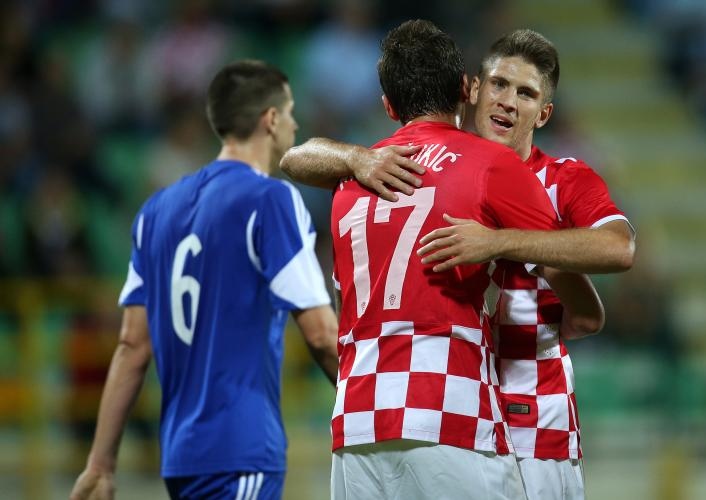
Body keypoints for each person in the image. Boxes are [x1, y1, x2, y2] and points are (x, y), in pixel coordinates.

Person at [280, 29, 635, 500]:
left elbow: (618, 250)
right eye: (499, 85)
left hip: (533, 423)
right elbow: (296, 158)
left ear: (543, 114)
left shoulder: (565, 178)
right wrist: (355, 156)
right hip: (461, 408)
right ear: (471, 89)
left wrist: (497, 242)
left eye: (526, 93)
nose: (508, 102)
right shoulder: (433, 167)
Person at [70, 60, 339, 500]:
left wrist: (100, 464)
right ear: (270, 120)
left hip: (180, 457)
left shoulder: (155, 211)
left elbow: (132, 346)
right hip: (241, 450)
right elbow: (322, 334)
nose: (295, 122)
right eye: (290, 111)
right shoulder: (271, 200)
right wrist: (370, 403)